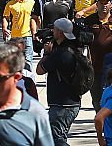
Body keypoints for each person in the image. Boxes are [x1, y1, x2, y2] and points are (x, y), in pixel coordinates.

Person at [36, 18, 86, 146]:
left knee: (54, 138)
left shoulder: (60, 54)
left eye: (55, 29)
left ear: (60, 33)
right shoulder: (73, 48)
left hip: (62, 105)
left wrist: (47, 53)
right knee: (58, 137)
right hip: (70, 102)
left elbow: (40, 70)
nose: (52, 31)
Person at [84, 0, 112, 110]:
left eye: (106, 3)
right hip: (94, 67)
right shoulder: (89, 21)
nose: (104, 5)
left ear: (111, 5)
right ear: (97, 5)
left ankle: (108, 123)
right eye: (101, 3)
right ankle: (99, 119)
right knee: (96, 98)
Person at [3, 0, 40, 71]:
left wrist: (38, 32)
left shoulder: (32, 3)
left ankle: (29, 82)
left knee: (28, 61)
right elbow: (5, 17)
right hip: (15, 37)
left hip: (27, 36)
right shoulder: (10, 4)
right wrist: (4, 28)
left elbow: (37, 18)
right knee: (14, 62)